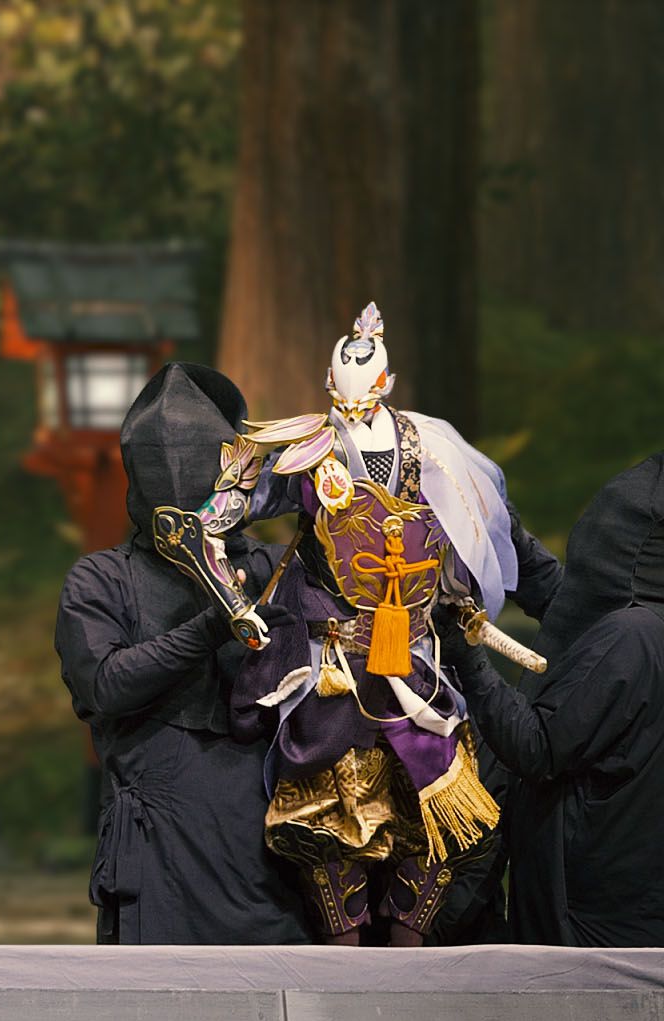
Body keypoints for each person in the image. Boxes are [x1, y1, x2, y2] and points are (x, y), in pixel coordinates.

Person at [158, 302, 561, 946]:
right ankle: (345, 945)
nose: (353, 403)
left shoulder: (435, 451)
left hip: (417, 651)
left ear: (388, 383)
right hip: (332, 662)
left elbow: (461, 533)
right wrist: (229, 589)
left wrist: (461, 597)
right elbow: (215, 518)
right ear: (328, 381)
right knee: (329, 808)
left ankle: (409, 938)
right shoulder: (305, 448)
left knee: (440, 803)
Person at [56, 362, 310, 945]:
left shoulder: (275, 569)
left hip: (272, 843)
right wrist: (211, 627)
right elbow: (105, 685)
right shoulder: (102, 580)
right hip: (157, 850)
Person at [439, 453, 664, 946]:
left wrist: (466, 652)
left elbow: (536, 747)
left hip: (582, 931)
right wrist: (507, 534)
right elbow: (582, 606)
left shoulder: (633, 638)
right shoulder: (643, 623)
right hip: (627, 918)